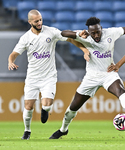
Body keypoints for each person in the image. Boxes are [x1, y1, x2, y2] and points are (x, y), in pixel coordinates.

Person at [49, 17, 125, 139]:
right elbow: (64, 33)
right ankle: (63, 129)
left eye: (98, 32)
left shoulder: (110, 33)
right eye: (93, 33)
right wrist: (77, 34)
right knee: (72, 108)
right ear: (89, 32)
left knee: (120, 91)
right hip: (91, 77)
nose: (96, 35)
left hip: (109, 74)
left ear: (101, 29)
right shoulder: (85, 36)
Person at [8, 9, 87, 140]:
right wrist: (11, 61)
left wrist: (84, 49)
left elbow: (69, 38)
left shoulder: (51, 31)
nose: (39, 23)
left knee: (47, 105)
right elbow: (14, 53)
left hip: (49, 77)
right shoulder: (25, 38)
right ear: (29, 22)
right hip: (32, 78)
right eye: (36, 21)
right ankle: (27, 131)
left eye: (40, 20)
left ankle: (45, 110)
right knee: (28, 106)